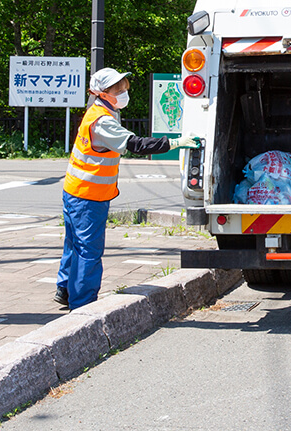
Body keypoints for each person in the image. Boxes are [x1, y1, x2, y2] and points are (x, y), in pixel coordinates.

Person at [55, 68, 200, 310]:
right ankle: (82, 304)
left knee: (73, 244)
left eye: (124, 88)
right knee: (88, 251)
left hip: (75, 190)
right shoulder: (102, 121)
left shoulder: (99, 112)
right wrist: (174, 142)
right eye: (117, 90)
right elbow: (135, 144)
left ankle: (65, 289)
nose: (123, 93)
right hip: (89, 196)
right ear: (101, 93)